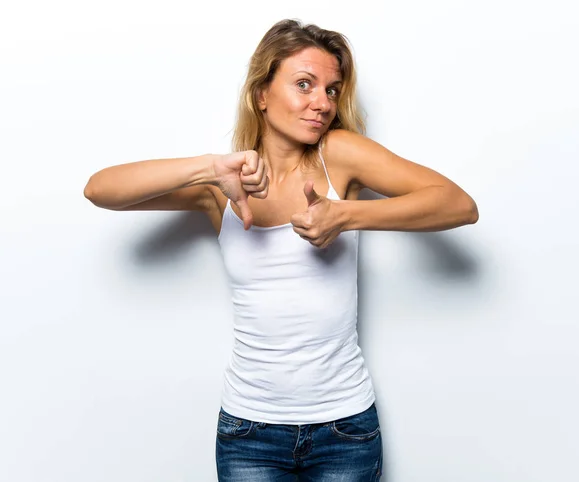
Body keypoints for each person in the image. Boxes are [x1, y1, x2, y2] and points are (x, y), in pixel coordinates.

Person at [84, 18, 478, 482]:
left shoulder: (340, 154)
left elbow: (459, 205)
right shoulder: (223, 187)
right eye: (304, 85)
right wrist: (210, 167)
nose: (322, 104)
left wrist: (347, 215)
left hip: (344, 425)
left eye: (332, 90)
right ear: (262, 95)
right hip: (248, 429)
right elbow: (100, 190)